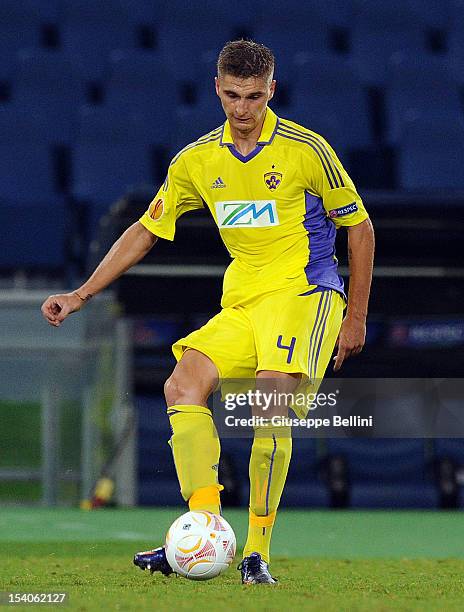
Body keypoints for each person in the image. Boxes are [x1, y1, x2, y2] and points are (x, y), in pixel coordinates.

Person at [41, 40, 375, 584]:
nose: (243, 108)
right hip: (243, 298)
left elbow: (359, 228)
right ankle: (204, 529)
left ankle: (256, 553)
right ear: (217, 90)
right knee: (182, 384)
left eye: (255, 96)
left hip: (305, 295)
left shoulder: (305, 149)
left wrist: (356, 316)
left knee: (268, 406)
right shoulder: (197, 161)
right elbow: (147, 229)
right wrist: (82, 293)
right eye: (233, 95)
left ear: (272, 91)